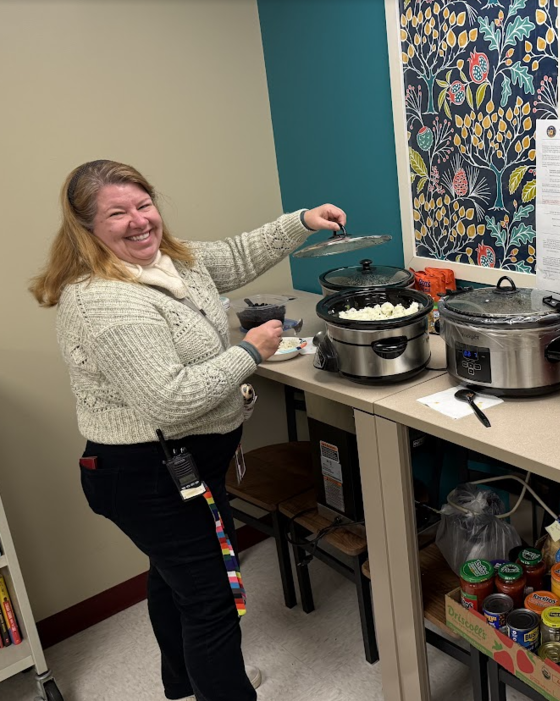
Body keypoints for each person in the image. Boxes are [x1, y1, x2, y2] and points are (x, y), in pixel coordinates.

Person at [30, 160, 346, 701]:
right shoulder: (106, 299)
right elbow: (169, 401)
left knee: (174, 575)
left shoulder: (169, 261)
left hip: (188, 466)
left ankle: (181, 682)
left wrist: (302, 221)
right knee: (212, 600)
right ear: (86, 227)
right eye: (117, 213)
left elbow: (236, 253)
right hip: (145, 475)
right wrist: (250, 352)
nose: (138, 221)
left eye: (143, 204)